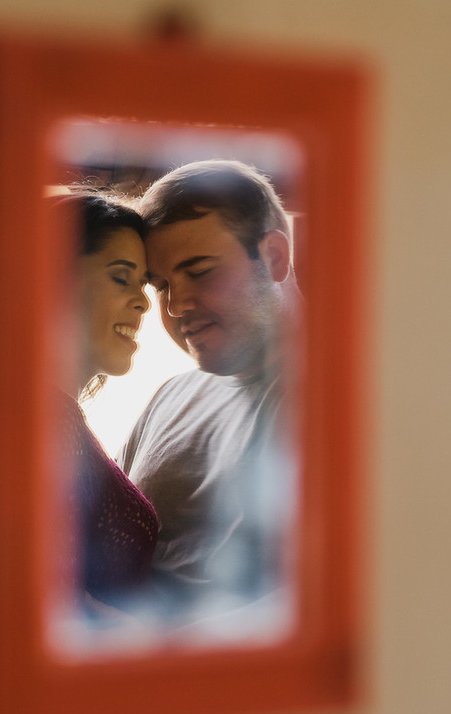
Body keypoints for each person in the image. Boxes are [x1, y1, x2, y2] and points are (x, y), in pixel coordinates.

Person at [117, 160, 299, 634]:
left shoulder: (357, 404)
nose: (176, 306)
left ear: (274, 258)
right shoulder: (170, 399)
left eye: (199, 272)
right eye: (161, 286)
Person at [49, 188, 159, 616]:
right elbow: (52, 604)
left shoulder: (61, 420)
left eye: (144, 283)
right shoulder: (48, 423)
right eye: (120, 277)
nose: (144, 301)